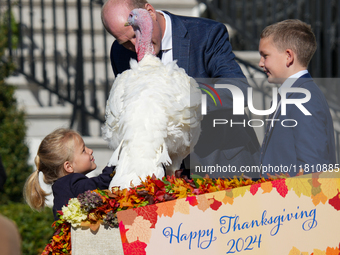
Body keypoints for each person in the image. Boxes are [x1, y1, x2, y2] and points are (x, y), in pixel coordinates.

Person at [101, 0, 261, 179]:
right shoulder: (119, 52)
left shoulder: (206, 33)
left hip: (222, 162)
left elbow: (238, 90)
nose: (136, 46)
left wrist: (183, 101)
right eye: (126, 42)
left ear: (150, 12)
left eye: (136, 34)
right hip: (167, 176)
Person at [258, 19, 336, 176]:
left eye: (265, 56)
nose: (260, 63)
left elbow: (313, 170)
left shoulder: (304, 99)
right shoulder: (290, 95)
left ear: (288, 56)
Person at [24, 128, 115, 220]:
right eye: (83, 150)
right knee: (126, 214)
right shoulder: (72, 182)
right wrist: (115, 163)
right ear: (68, 166)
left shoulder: (61, 187)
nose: (90, 150)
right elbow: (101, 183)